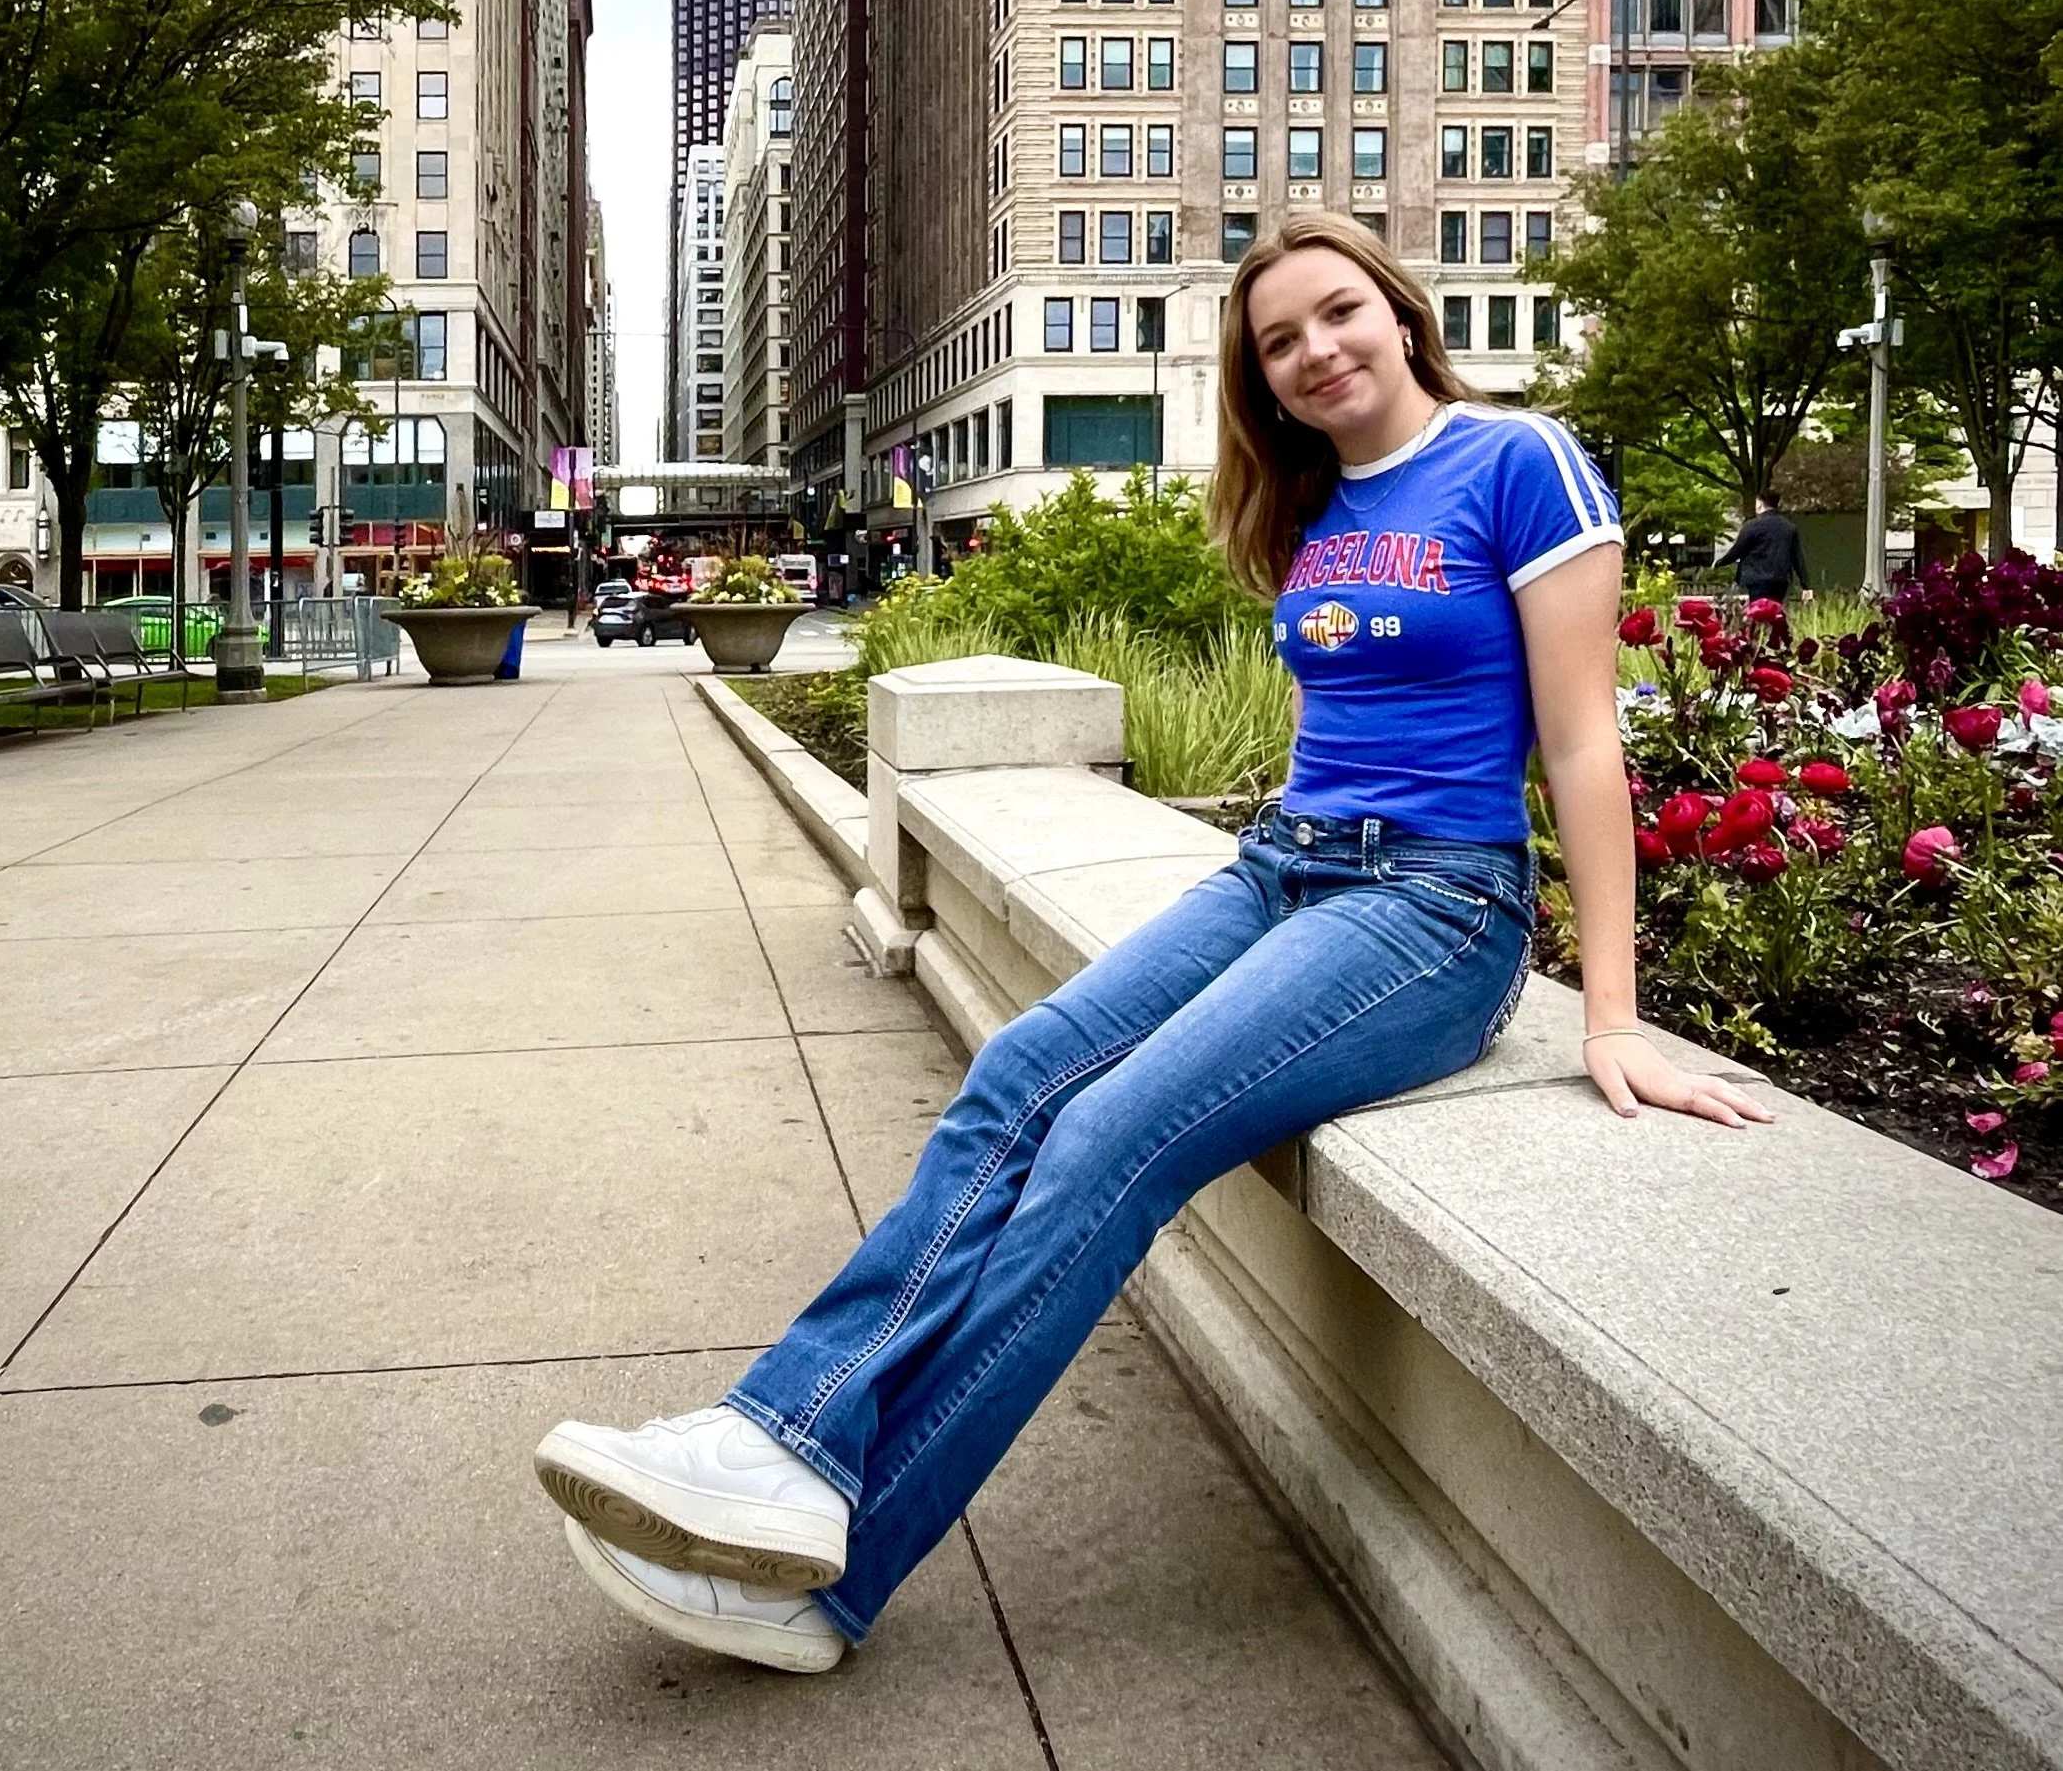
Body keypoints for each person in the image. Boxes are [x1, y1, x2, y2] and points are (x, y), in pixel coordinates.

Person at [531, 212, 1768, 1672]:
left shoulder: (1521, 462)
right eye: (1278, 342)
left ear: (1402, 309)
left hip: (1436, 910)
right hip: (1283, 871)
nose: (1315, 351)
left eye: (1336, 313)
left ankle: (831, 1577)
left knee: (1112, 1135)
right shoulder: (1318, 506)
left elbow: (1580, 747)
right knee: (1025, 1070)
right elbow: (1339, 734)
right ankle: (779, 1435)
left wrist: (1611, 1015)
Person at [1713, 493, 1810, 600]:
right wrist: (1806, 585)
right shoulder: (1789, 528)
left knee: (1758, 610)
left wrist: (1719, 563)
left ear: (1759, 504)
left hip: (1756, 578)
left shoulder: (1751, 526)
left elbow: (1737, 551)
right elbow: (1798, 558)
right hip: (1780, 579)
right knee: (1775, 610)